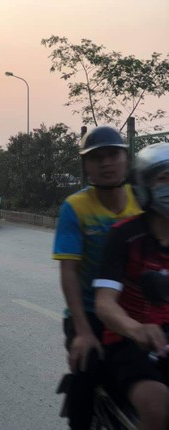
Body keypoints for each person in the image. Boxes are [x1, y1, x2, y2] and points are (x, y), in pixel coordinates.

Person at [52, 126, 142, 429]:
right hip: (89, 313)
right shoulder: (75, 207)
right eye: (97, 157)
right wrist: (82, 330)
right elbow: (69, 272)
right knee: (85, 374)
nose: (106, 163)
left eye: (113, 154)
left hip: (137, 310)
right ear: (86, 166)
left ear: (126, 159)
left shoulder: (142, 201)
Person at [94, 142, 169, 430]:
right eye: (163, 178)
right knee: (157, 402)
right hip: (128, 342)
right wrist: (135, 328)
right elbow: (104, 302)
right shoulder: (125, 236)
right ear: (143, 185)